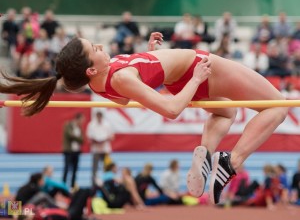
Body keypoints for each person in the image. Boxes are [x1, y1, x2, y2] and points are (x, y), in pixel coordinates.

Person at [0, 31, 288, 205]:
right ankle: (230, 162)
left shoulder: (100, 84)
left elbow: (132, 86)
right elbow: (172, 110)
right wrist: (196, 76)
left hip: (178, 76)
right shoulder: (121, 76)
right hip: (198, 68)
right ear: (90, 69)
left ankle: (206, 154)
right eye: (95, 50)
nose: (101, 47)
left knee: (226, 111)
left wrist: (155, 58)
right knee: (277, 105)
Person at [86, 111, 114, 187]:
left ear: (102, 117)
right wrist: (96, 141)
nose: (99, 118)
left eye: (100, 117)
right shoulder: (91, 125)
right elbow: (89, 138)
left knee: (107, 167)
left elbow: (112, 136)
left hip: (105, 149)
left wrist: (104, 140)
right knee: (94, 169)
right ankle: (93, 185)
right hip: (96, 150)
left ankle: (108, 184)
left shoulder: (107, 125)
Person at [62, 113, 85, 189]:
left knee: (75, 170)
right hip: (68, 151)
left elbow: (82, 140)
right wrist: (77, 138)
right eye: (82, 120)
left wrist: (76, 138)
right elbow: (69, 135)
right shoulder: (68, 125)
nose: (82, 122)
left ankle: (72, 186)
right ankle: (63, 186)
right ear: (77, 119)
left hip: (76, 151)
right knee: (67, 169)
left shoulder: (79, 128)